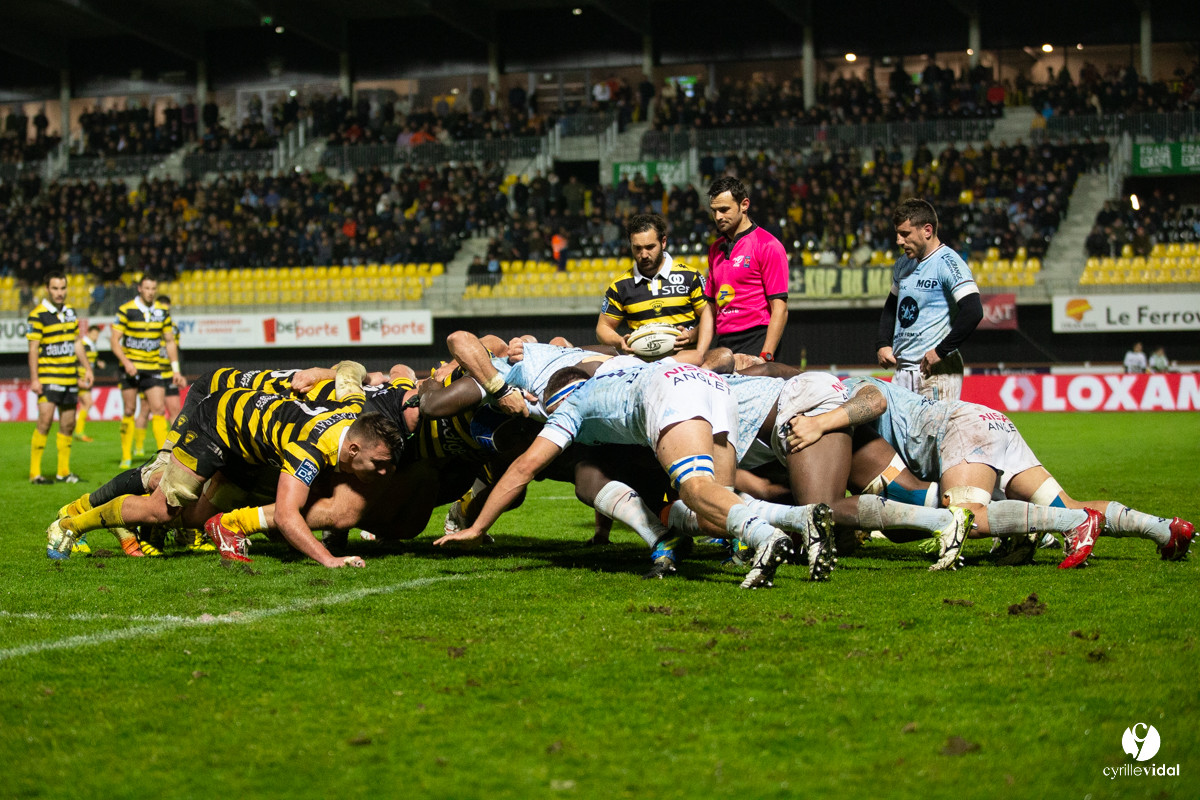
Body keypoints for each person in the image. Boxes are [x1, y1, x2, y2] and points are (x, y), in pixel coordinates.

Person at [435, 358, 836, 589]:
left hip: (668, 392)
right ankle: (801, 519)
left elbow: (524, 467)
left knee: (695, 490)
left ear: (557, 399)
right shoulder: (609, 375)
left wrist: (477, 528)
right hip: (710, 384)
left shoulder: (570, 407)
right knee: (718, 505)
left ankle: (766, 538)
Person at [785, 376, 1194, 567]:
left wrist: (821, 423)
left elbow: (872, 402)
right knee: (1067, 501)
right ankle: (1164, 529)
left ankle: (1068, 525)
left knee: (964, 519)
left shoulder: (846, 387)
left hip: (963, 430)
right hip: (991, 421)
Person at [48, 386, 404, 568]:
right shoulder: (310, 447)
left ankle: (139, 525)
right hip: (214, 424)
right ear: (353, 450)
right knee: (161, 510)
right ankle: (70, 526)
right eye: (379, 463)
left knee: (195, 519)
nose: (384, 472)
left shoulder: (353, 416)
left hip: (249, 444)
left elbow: (351, 378)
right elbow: (285, 515)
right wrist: (328, 559)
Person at [875, 198, 983, 401]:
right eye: (897, 234)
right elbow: (891, 307)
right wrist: (882, 343)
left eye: (905, 234)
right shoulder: (903, 264)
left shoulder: (948, 263)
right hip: (903, 370)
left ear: (927, 230)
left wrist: (941, 351)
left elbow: (973, 310)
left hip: (937, 370)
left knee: (933, 424)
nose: (899, 241)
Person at [596, 214, 712, 366]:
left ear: (663, 242)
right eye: (637, 248)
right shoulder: (620, 286)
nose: (644, 255)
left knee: (723, 356)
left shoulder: (690, 276)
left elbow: (709, 315)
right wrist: (620, 341)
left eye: (650, 247)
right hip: (643, 366)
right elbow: (602, 328)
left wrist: (692, 336)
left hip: (685, 364)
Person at [704, 177, 790, 361]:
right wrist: (696, 344)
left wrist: (765, 356)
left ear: (744, 205)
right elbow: (710, 308)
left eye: (724, 210)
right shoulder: (715, 249)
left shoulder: (768, 245)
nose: (718, 217)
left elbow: (780, 309)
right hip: (723, 342)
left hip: (757, 339)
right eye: (714, 211)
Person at [111, 276, 185, 468]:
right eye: (147, 288)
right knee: (129, 409)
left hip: (153, 368)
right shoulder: (126, 310)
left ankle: (163, 457)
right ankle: (126, 455)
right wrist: (126, 362)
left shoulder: (162, 312)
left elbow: (170, 342)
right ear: (139, 289)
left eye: (153, 288)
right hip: (130, 368)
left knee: (159, 409)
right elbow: (114, 341)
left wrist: (176, 370)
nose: (150, 292)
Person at [27, 272, 93, 486]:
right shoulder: (37, 315)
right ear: (47, 289)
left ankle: (63, 472)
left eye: (62, 288)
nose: (59, 292)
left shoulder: (70, 312)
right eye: (55, 288)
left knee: (68, 424)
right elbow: (33, 349)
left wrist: (87, 368)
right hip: (48, 378)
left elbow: (76, 343)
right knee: (45, 421)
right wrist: (34, 379)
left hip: (69, 377)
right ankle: (35, 473)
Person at [73, 324, 105, 443]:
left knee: (84, 405)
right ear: (88, 333)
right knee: (87, 402)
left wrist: (97, 364)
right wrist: (77, 379)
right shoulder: (83, 345)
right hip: (80, 379)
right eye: (94, 334)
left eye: (97, 334)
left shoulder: (91, 346)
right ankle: (78, 431)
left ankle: (77, 430)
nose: (96, 336)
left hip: (85, 379)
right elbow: (76, 361)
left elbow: (89, 361)